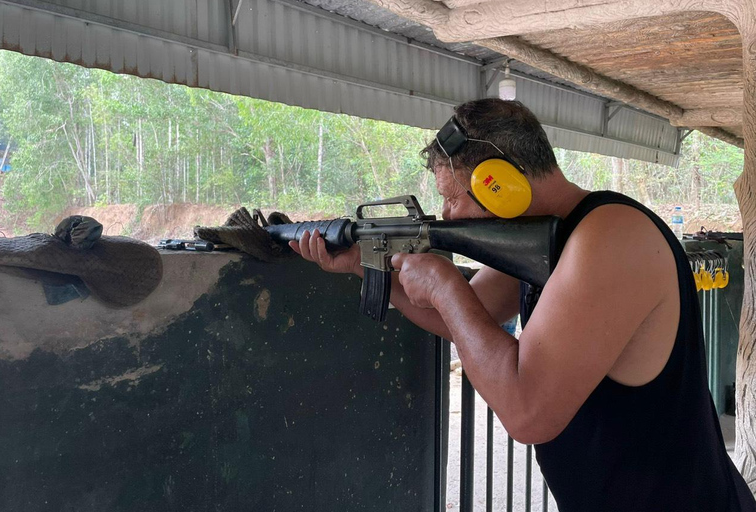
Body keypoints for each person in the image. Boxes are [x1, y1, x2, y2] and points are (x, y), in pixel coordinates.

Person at [289, 99, 756, 511]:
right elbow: (468, 317)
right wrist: (365, 270)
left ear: (499, 184)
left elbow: (527, 413)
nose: (448, 214)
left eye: (454, 196)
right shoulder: (549, 243)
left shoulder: (610, 237)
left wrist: (445, 285)